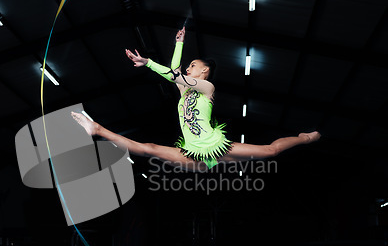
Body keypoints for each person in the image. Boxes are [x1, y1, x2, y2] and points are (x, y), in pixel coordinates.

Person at [71, 27, 320, 172]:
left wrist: (147, 62)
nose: (188, 68)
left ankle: (304, 138)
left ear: (204, 72)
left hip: (215, 147)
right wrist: (179, 43)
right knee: (148, 149)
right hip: (192, 154)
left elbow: (173, 74)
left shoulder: (207, 88)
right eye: (188, 66)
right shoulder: (184, 90)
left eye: (193, 65)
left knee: (271, 151)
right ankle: (97, 128)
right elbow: (174, 72)